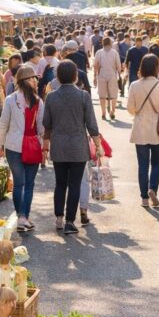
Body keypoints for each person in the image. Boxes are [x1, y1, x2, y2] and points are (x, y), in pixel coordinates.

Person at [43, 61, 103, 235]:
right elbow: (91, 124)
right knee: (75, 184)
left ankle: (59, 218)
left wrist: (45, 145)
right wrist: (98, 145)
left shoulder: (51, 97)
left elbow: (46, 123)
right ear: (76, 76)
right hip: (78, 146)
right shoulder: (83, 96)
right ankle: (70, 221)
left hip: (59, 146)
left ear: (58, 77)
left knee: (60, 184)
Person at [0, 64, 44, 231]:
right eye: (33, 79)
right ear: (27, 81)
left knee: (19, 183)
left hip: (13, 146)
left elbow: (3, 124)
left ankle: (21, 217)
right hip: (32, 146)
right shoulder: (39, 102)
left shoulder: (11, 100)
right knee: (29, 184)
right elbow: (41, 127)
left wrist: (0, 144)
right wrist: (42, 144)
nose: (35, 82)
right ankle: (24, 216)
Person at [128, 54, 159, 207]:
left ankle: (144, 198)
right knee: (157, 163)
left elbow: (130, 109)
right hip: (157, 129)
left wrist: (139, 112)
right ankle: (153, 189)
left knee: (143, 165)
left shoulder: (134, 85)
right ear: (156, 68)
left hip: (140, 129)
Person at [93, 36, 122, 121]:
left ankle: (103, 113)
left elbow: (95, 65)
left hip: (102, 75)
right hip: (112, 75)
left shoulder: (99, 52)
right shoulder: (114, 52)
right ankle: (112, 111)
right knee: (113, 95)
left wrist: (95, 76)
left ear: (102, 43)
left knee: (102, 96)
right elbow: (118, 65)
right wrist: (119, 73)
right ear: (110, 43)